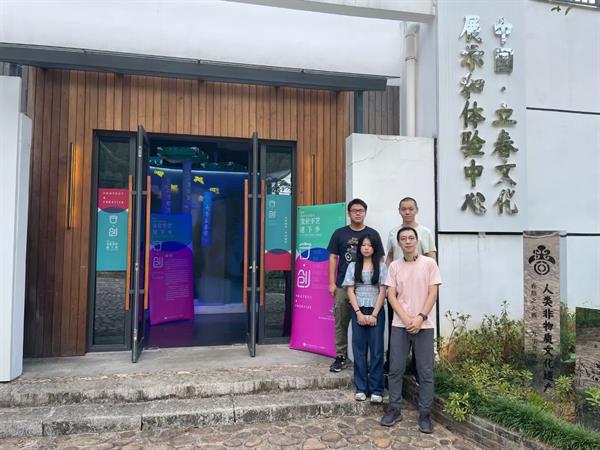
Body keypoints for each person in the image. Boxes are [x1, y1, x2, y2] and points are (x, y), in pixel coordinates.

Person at [380, 226, 441, 434]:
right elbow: (391, 295)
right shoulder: (394, 266)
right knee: (395, 369)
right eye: (403, 238)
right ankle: (394, 409)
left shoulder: (430, 264)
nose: (407, 241)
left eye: (411, 238)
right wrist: (406, 319)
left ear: (417, 241)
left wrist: (420, 317)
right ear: (399, 243)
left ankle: (425, 414)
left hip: (424, 325)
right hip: (400, 325)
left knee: (425, 372)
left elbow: (433, 293)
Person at [327, 199, 385, 373]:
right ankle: (341, 356)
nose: (357, 213)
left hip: (368, 289)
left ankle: (369, 361)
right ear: (349, 213)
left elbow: (380, 259)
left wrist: (380, 285)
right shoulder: (339, 233)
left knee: (369, 324)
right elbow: (333, 258)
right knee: (341, 321)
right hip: (343, 286)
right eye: (354, 210)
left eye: (361, 210)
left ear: (365, 212)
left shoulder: (373, 234)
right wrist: (331, 283)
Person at [385, 197, 437, 375]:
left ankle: (417, 369)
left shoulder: (425, 232)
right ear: (399, 211)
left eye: (410, 208)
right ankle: (394, 366)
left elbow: (431, 258)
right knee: (396, 327)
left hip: (419, 291)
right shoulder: (393, 233)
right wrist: (389, 281)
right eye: (403, 209)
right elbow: (389, 257)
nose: (407, 212)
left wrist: (431, 284)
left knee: (420, 329)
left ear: (417, 210)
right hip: (397, 290)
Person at [342, 234, 387, 403]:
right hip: (358, 308)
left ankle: (376, 390)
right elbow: (350, 290)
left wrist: (374, 314)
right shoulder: (353, 266)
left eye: (369, 245)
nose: (366, 248)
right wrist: (358, 313)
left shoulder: (381, 266)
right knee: (359, 350)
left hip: (376, 309)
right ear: (359, 248)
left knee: (376, 350)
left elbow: (383, 291)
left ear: (374, 248)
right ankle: (361, 388)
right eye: (363, 245)